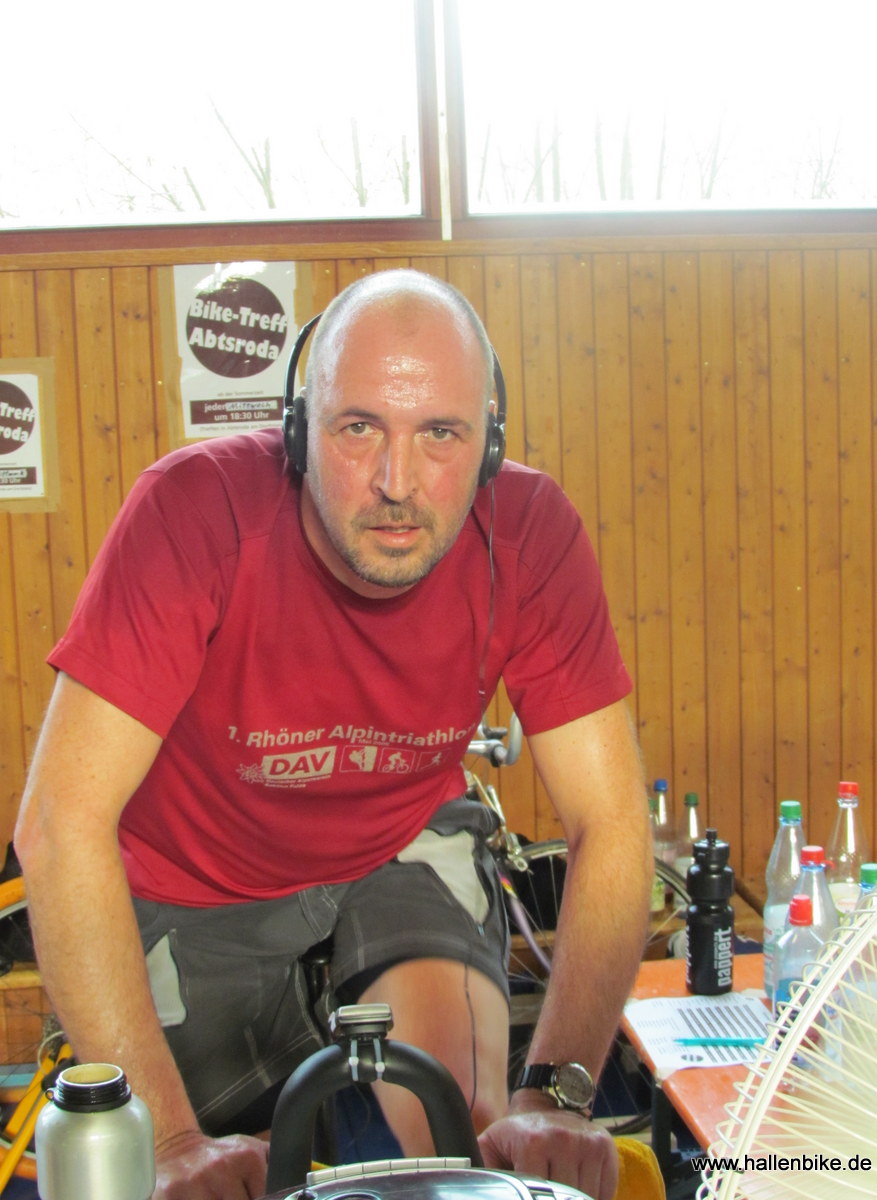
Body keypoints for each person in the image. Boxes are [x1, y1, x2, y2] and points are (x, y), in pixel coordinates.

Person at [15, 269, 652, 1200]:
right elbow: (58, 825)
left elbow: (613, 821)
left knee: (468, 1138)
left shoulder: (528, 533)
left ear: (488, 444)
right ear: (298, 427)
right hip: (193, 885)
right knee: (194, 1174)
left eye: (441, 435)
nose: (398, 484)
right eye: (359, 428)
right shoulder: (192, 510)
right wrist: (172, 1140)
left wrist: (557, 1093)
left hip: (395, 847)